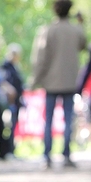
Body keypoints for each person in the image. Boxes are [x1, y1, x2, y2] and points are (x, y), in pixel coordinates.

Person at [31, 0, 86, 168]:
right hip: (70, 81)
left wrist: (35, 80)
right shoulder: (76, 30)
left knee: (48, 120)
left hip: (51, 82)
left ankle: (47, 156)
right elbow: (83, 45)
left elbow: (40, 58)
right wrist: (81, 24)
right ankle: (67, 155)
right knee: (69, 118)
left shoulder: (48, 31)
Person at [2, 43, 25, 156]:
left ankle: (12, 150)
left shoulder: (16, 67)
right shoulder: (5, 66)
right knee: (8, 125)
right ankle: (7, 151)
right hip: (8, 102)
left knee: (13, 125)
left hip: (16, 102)